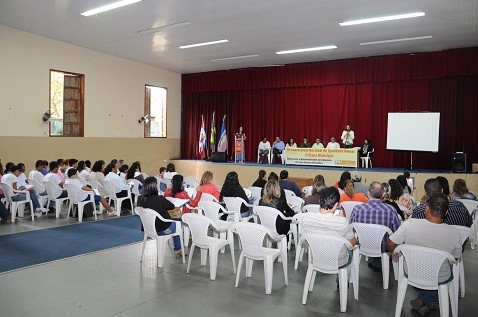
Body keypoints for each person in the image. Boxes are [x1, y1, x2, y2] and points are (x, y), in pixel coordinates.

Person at [386, 193, 462, 315]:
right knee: (447, 271)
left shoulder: (410, 224)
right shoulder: (455, 233)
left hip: (412, 271)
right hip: (439, 276)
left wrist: (397, 251)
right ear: (446, 212)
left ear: (426, 209)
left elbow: (389, 244)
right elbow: (456, 258)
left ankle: (425, 299)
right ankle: (429, 299)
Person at [350, 181, 400, 272]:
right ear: (382, 195)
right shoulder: (391, 210)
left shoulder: (357, 209)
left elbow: (351, 229)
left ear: (368, 193)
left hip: (362, 244)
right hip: (383, 247)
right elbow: (397, 232)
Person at [304, 186, 357, 268]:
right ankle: (341, 280)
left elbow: (306, 240)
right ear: (336, 204)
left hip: (316, 257)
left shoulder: (306, 218)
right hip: (338, 260)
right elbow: (352, 244)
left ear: (320, 201)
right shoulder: (342, 222)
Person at [138, 177, 182, 257]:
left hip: (148, 229)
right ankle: (178, 249)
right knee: (178, 223)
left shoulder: (141, 199)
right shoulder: (160, 199)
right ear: (154, 187)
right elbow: (171, 206)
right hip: (162, 229)